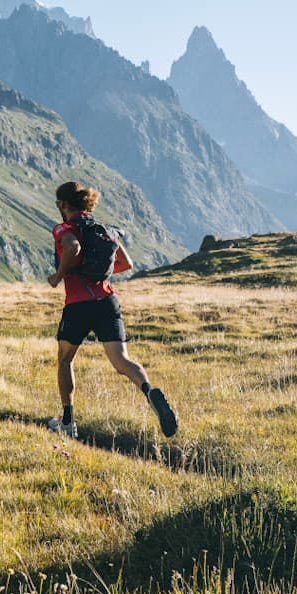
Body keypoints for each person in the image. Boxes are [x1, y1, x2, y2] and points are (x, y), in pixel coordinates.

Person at [46, 181, 178, 440]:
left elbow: (73, 247)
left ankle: (67, 422)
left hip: (78, 303)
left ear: (63, 204)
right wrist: (98, 273)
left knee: (65, 359)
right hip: (107, 301)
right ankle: (149, 390)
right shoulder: (106, 230)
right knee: (122, 361)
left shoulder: (66, 228)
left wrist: (60, 275)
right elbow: (125, 263)